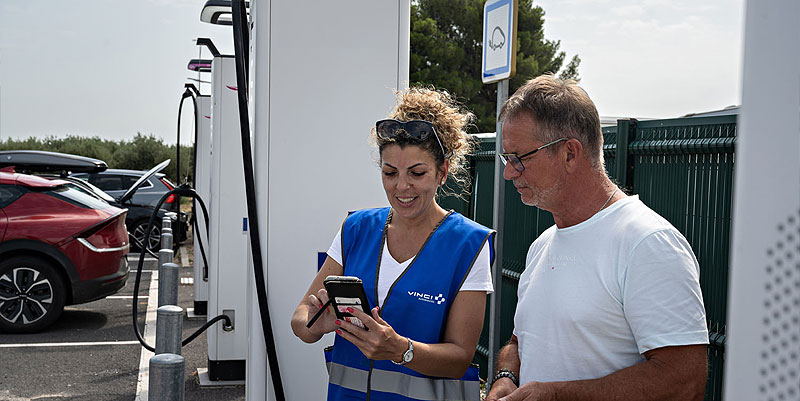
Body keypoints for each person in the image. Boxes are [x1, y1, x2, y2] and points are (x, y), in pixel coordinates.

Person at [486, 75, 709, 401]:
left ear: (569, 154)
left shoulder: (648, 243)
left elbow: (684, 381)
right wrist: (506, 378)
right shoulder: (541, 246)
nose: (508, 172)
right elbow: (523, 340)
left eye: (519, 158)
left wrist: (556, 396)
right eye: (507, 158)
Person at [291, 87, 496, 401]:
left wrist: (402, 350)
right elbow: (301, 321)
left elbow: (460, 358)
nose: (402, 186)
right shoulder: (356, 228)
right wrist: (319, 323)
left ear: (442, 172)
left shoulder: (467, 244)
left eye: (417, 173)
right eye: (390, 173)